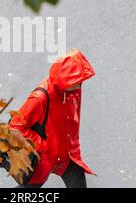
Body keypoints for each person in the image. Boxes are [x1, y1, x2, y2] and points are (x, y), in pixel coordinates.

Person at [9, 48, 96, 188]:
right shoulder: (40, 98)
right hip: (43, 158)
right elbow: (15, 127)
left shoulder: (72, 90)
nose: (80, 85)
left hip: (68, 156)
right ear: (64, 83)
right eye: (77, 82)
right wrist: (43, 146)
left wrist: (74, 147)